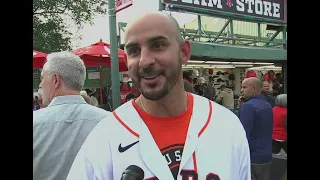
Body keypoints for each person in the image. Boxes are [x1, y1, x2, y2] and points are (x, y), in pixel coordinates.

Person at [67, 11, 250, 180]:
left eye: (158, 45)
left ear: (184, 52)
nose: (145, 61)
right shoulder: (104, 137)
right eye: (134, 51)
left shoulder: (227, 125)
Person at [33, 51, 111, 180]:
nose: (40, 84)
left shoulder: (35, 123)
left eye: (42, 78)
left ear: (56, 80)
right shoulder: (110, 122)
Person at [238, 77, 273, 180]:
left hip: (252, 156)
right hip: (266, 155)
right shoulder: (267, 104)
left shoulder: (248, 107)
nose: (241, 90)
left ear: (254, 89)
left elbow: (243, 134)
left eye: (244, 87)